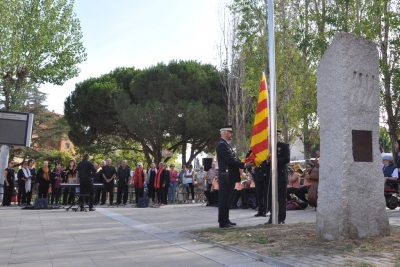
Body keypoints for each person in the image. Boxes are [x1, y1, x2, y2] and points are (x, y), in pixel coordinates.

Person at [216, 125, 254, 228]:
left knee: (228, 199)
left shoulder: (226, 145)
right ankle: (223, 222)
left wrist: (244, 162)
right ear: (224, 132)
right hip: (226, 176)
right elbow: (230, 160)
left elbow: (235, 159)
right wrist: (244, 165)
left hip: (229, 176)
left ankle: (226, 219)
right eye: (230, 132)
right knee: (224, 199)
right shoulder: (222, 145)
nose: (232, 134)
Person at [265, 130, 290, 225]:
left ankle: (281, 218)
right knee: (271, 198)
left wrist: (275, 160)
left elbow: (286, 159)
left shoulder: (284, 146)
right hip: (271, 176)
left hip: (280, 175)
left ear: (279, 137)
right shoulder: (269, 148)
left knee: (281, 198)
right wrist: (267, 161)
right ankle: (272, 217)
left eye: (276, 136)